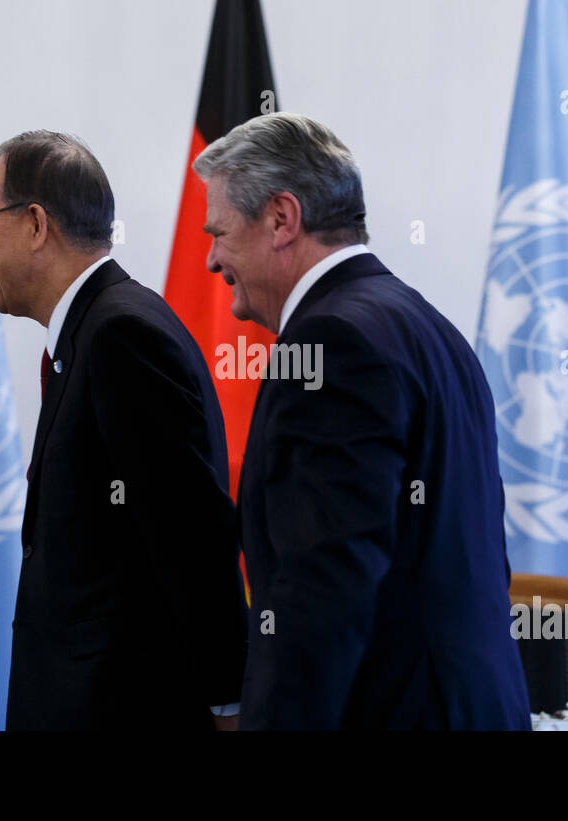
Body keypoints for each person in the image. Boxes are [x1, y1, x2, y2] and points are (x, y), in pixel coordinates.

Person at [195, 113, 531, 730]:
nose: (212, 261)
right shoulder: (426, 325)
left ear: (280, 219)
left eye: (218, 232)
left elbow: (324, 589)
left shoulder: (329, 343)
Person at [0, 131, 244, 730]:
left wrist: (228, 700)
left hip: (125, 707)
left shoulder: (123, 336)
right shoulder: (93, 331)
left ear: (35, 224)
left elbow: (192, 534)